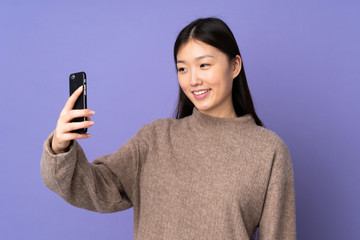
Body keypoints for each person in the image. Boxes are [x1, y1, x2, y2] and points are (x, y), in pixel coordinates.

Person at [41, 17, 296, 240]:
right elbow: (93, 189)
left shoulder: (268, 151)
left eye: (204, 65)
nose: (193, 79)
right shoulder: (156, 139)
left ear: (234, 66)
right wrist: (61, 147)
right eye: (182, 68)